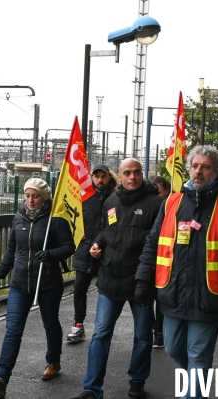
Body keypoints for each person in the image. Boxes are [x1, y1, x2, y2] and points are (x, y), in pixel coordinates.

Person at [136, 145, 218, 399]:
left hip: (208, 296)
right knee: (172, 348)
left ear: (217, 172)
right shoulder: (171, 202)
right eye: (194, 166)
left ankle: (194, 390)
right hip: (172, 294)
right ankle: (194, 382)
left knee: (199, 356)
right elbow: (153, 243)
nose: (199, 171)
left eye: (206, 167)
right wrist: (142, 280)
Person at [71, 158, 163, 399]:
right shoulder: (111, 202)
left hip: (140, 280)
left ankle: (137, 380)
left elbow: (157, 243)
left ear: (142, 174)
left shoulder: (156, 204)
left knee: (143, 335)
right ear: (119, 177)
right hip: (110, 277)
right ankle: (92, 388)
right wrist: (97, 244)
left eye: (136, 172)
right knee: (100, 334)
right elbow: (104, 229)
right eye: (127, 173)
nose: (132, 177)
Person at [0, 178, 76, 396]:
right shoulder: (18, 218)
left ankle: (53, 361)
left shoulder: (56, 219)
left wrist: (51, 254)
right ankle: (0, 379)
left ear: (45, 198)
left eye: (36, 196)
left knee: (50, 323)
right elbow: (12, 249)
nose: (31, 200)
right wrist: (1, 272)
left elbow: (69, 246)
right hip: (20, 283)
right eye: (28, 195)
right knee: (13, 330)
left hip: (48, 283)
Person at [67, 165, 117, 342]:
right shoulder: (83, 197)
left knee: (106, 289)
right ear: (91, 178)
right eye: (96, 176)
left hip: (107, 250)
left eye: (103, 176)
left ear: (109, 178)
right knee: (80, 287)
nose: (100, 180)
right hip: (84, 249)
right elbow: (71, 217)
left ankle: (104, 327)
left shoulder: (115, 198)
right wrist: (76, 233)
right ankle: (78, 324)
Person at [151, 175, 170, 349]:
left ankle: (159, 331)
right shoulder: (150, 205)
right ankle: (153, 326)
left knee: (160, 298)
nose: (157, 196)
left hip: (164, 260)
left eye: (160, 192)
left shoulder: (170, 207)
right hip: (149, 258)